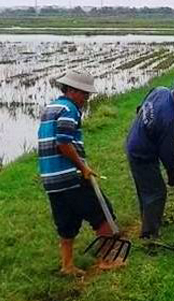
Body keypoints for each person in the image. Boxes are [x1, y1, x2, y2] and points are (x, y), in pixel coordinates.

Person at [37, 70, 120, 276]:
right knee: (102, 213)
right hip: (70, 176)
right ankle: (107, 260)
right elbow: (63, 143)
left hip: (51, 179)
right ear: (72, 90)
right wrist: (83, 168)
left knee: (66, 221)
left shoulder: (51, 107)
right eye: (84, 94)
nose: (87, 99)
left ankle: (67, 265)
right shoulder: (70, 109)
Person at [126, 75, 174, 238]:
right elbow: (168, 152)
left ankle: (147, 220)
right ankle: (149, 234)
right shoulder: (168, 118)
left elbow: (141, 107)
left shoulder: (160, 91)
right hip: (141, 153)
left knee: (146, 188)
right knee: (157, 192)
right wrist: (173, 175)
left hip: (136, 140)